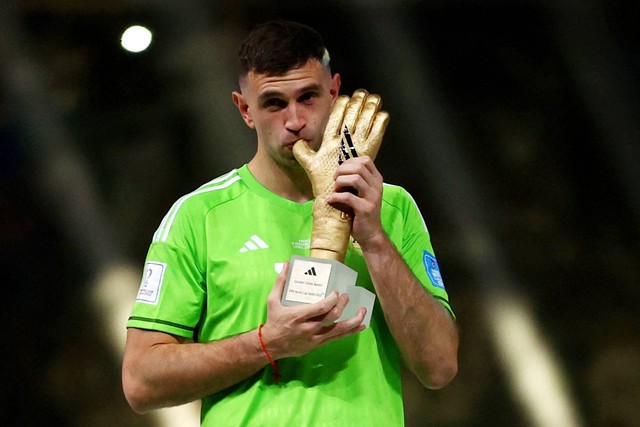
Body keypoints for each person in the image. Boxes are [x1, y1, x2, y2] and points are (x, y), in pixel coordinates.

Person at [122, 20, 458, 426]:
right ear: (245, 110)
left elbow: (439, 367)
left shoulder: (391, 207)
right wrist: (268, 343)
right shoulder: (198, 216)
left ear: (334, 92)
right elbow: (141, 382)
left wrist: (372, 238)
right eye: (274, 103)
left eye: (308, 97)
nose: (295, 120)